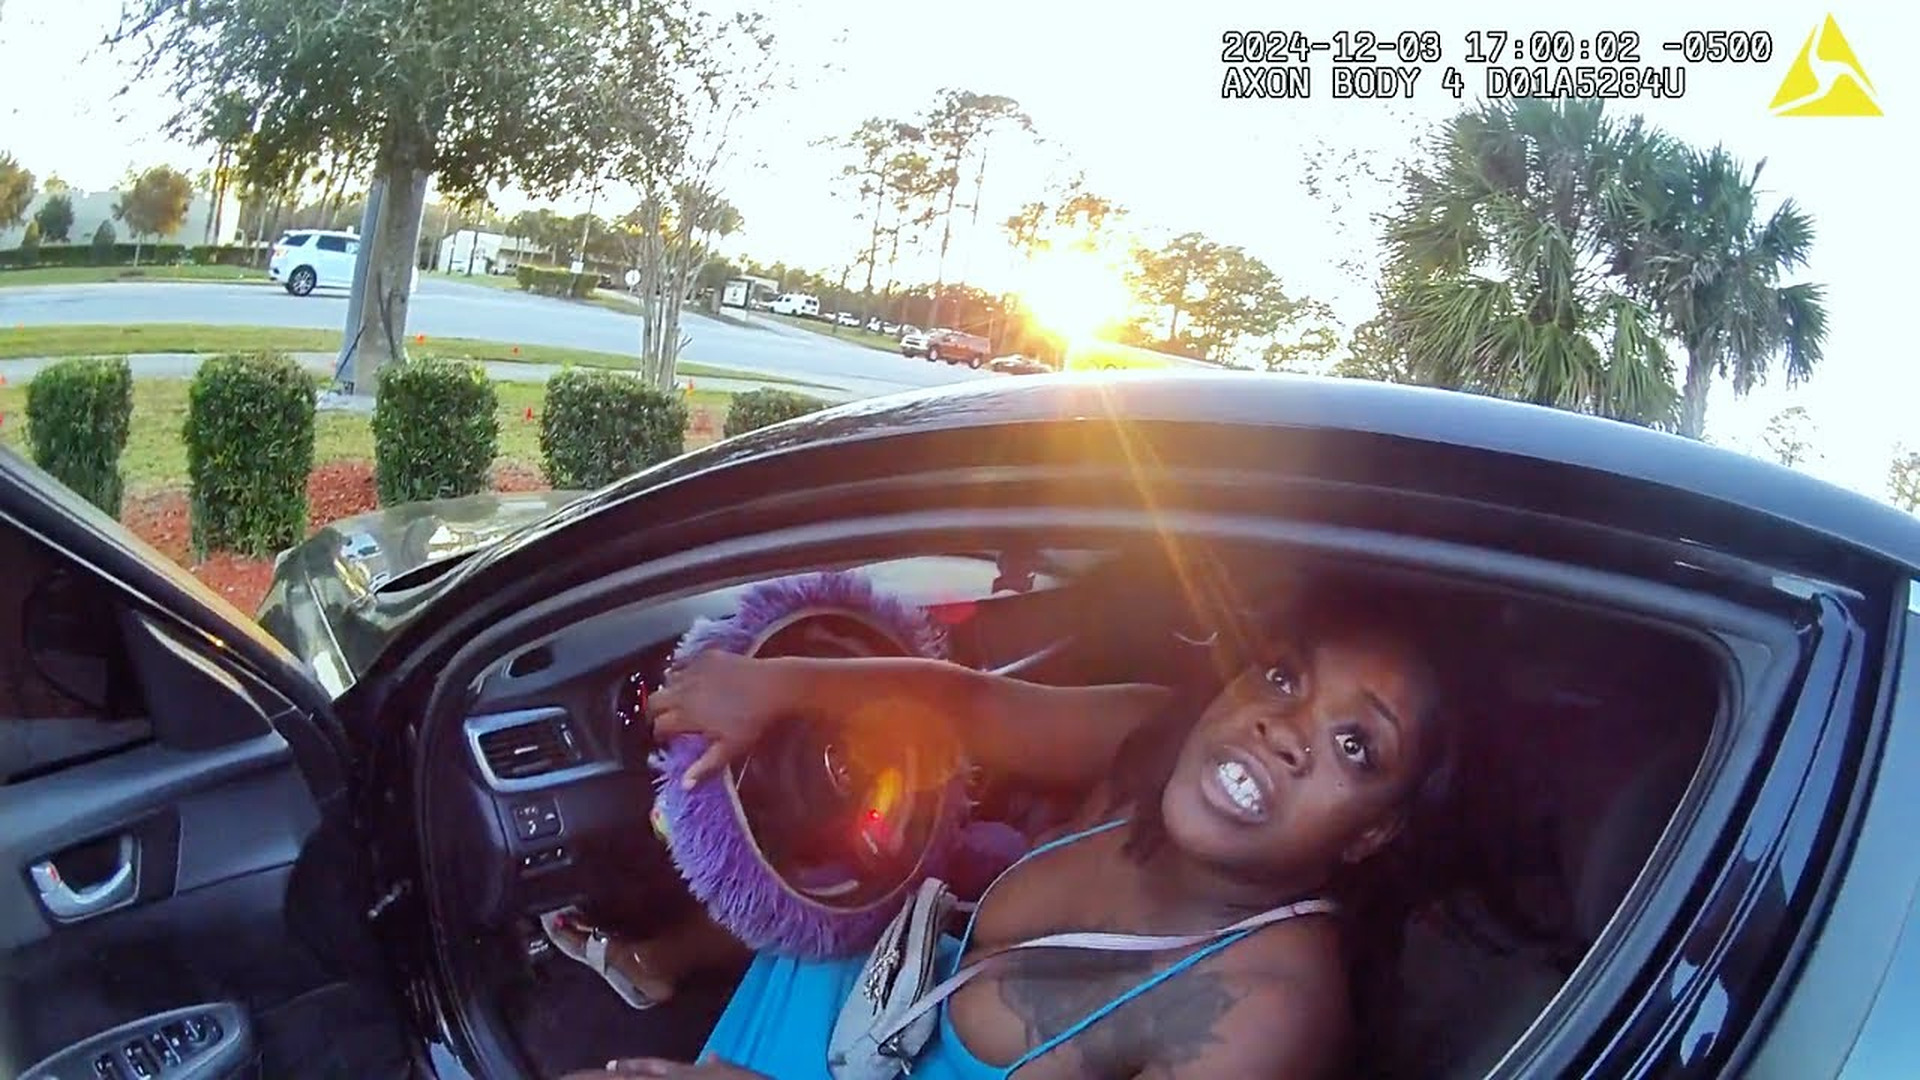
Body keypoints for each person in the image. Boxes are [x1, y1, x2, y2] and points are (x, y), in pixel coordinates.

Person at [556, 581, 1456, 1080]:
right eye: (1285, 678)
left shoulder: (1266, 1016)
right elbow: (974, 707)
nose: (1283, 730)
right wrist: (780, 687)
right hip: (860, 1003)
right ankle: (656, 961)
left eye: (1355, 744)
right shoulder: (1155, 741)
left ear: (1371, 834)